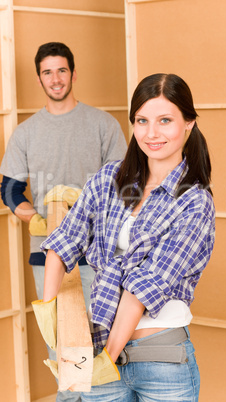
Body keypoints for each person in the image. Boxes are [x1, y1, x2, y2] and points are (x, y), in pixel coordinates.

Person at [40, 73, 215, 401]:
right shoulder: (109, 178)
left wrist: (101, 360)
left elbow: (140, 289)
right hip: (95, 350)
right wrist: (54, 326)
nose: (152, 133)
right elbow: (63, 243)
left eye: (165, 120)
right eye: (142, 120)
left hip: (161, 361)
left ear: (188, 123)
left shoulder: (194, 202)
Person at [0, 42, 127, 402]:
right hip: (48, 257)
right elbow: (9, 190)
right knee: (63, 347)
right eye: (47, 72)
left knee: (101, 343)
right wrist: (36, 218)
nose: (55, 79)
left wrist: (90, 216)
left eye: (61, 70)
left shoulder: (103, 124)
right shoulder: (25, 133)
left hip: (99, 256)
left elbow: (124, 185)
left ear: (73, 72)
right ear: (39, 77)